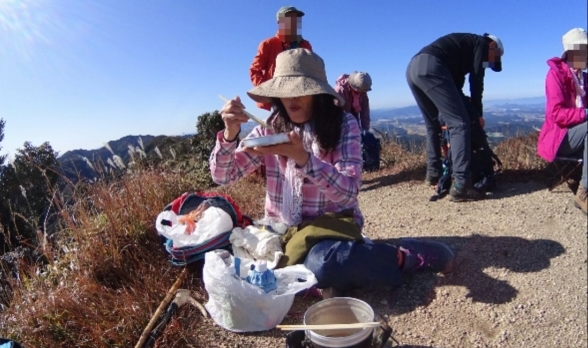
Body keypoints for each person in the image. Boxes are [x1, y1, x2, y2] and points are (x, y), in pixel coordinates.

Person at [211, 48, 454, 298]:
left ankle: (406, 256)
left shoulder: (344, 124)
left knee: (323, 263)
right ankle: (329, 279)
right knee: (234, 260)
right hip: (282, 232)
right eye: (284, 92)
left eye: (302, 90)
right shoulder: (270, 130)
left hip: (330, 225)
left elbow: (348, 193)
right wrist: (229, 134)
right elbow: (223, 175)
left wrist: (302, 158)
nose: (292, 99)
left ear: (318, 93)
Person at [406, 33, 504, 201]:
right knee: (459, 124)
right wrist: (477, 114)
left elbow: (455, 91)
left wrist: (470, 110)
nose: (488, 64)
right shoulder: (482, 43)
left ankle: (433, 174)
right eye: (495, 58)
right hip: (432, 65)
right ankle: (461, 184)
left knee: (433, 125)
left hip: (413, 68)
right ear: (493, 47)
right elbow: (476, 81)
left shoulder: (459, 54)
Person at [537, 28, 587, 214]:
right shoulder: (555, 75)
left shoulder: (583, 78)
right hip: (560, 137)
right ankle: (583, 193)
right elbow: (557, 114)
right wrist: (585, 113)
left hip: (578, 134)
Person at [249, 6, 312, 111]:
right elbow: (255, 71)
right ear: (279, 22)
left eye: (296, 19)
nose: (293, 22)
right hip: (277, 101)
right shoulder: (268, 44)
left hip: (300, 98)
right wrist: (268, 92)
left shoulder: (305, 45)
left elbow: (311, 71)